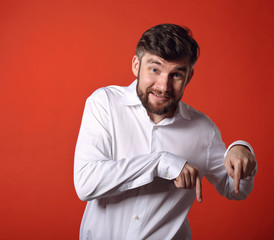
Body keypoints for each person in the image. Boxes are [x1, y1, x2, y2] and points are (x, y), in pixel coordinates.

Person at [74, 23, 257, 240]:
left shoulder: (203, 130)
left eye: (176, 75)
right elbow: (86, 184)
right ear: (136, 65)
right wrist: (161, 163)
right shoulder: (104, 103)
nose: (163, 86)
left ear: (189, 77)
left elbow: (235, 190)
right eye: (154, 69)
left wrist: (242, 151)